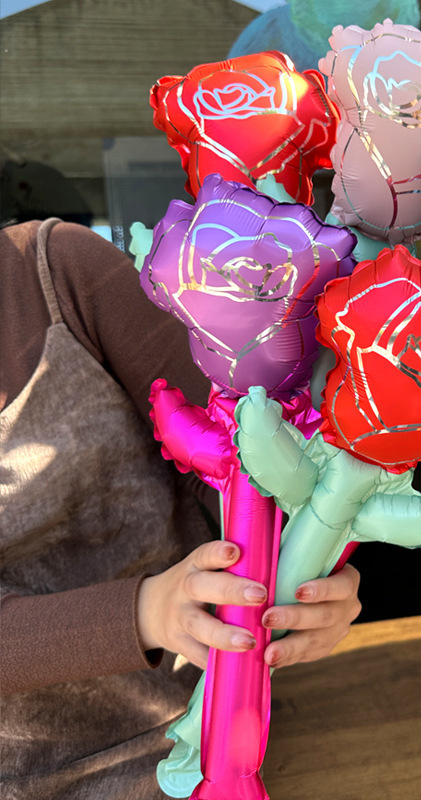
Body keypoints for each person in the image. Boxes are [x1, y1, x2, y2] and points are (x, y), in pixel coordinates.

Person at [0, 218, 362, 799]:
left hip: (202, 738)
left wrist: (304, 565)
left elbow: (232, 458)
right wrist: (149, 610)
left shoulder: (57, 272)